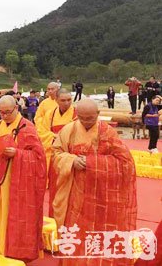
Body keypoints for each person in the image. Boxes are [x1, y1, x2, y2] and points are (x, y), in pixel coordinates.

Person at [52, 99, 137, 263]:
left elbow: (126, 163)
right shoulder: (68, 130)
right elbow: (56, 154)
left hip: (100, 196)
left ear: (98, 114)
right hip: (75, 192)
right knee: (76, 231)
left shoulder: (107, 132)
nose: (85, 122)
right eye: (82, 118)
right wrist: (71, 161)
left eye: (90, 118)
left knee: (97, 234)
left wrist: (93, 163)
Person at [0, 95, 46, 262]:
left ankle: (15, 250)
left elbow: (39, 157)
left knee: (14, 216)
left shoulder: (27, 128)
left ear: (16, 108)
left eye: (8, 112)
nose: (4, 116)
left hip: (17, 184)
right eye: (1, 112)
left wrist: (18, 153)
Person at [36, 89, 77, 216]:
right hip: (55, 156)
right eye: (63, 100)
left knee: (71, 191)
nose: (66, 103)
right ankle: (54, 217)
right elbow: (41, 131)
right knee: (55, 188)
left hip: (70, 157)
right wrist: (54, 137)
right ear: (57, 100)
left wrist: (63, 138)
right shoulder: (51, 114)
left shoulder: (76, 113)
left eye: (69, 100)